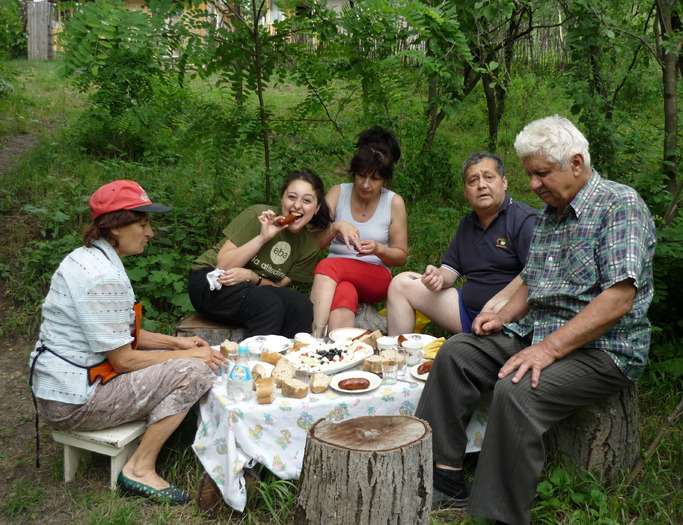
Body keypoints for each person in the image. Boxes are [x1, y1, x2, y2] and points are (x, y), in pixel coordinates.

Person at [415, 115, 656, 525]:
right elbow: (532, 278)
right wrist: (503, 315)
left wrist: (547, 349)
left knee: (517, 391)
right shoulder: (550, 213)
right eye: (529, 174)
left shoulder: (620, 205)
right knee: (457, 352)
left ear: (576, 163)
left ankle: (500, 515)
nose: (533, 185)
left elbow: (618, 298)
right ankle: (445, 477)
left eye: (541, 173)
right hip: (539, 332)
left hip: (604, 349)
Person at [29, 180, 225, 504]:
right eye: (143, 224)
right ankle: (139, 469)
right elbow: (123, 361)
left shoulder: (87, 257)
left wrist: (177, 345)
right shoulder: (102, 276)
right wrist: (191, 359)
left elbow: (118, 334)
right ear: (116, 227)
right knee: (195, 372)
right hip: (75, 401)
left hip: (65, 386)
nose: (150, 234)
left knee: (187, 358)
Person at [386, 152, 537, 336]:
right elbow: (451, 269)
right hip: (465, 312)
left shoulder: (524, 220)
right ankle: (394, 356)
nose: (481, 185)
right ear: (466, 191)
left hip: (507, 316)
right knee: (400, 284)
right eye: (473, 181)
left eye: (489, 177)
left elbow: (535, 273)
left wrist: (499, 302)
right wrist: (438, 276)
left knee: (501, 307)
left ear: (504, 182)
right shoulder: (467, 222)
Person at [188, 169, 332, 338]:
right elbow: (223, 266)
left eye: (307, 200)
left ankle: (291, 361)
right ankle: (255, 362)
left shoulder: (309, 247)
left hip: (251, 289)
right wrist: (263, 237)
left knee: (301, 305)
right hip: (211, 281)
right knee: (268, 304)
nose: (297, 205)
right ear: (282, 199)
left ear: (317, 208)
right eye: (292, 197)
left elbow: (278, 287)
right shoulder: (259, 216)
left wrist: (251, 276)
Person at [310, 126, 408, 332]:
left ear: (385, 179)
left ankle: (316, 335)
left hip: (375, 275)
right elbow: (313, 245)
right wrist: (335, 227)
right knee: (345, 291)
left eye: (375, 179)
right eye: (361, 176)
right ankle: (338, 350)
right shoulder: (338, 192)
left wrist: (378, 249)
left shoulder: (393, 202)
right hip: (337, 278)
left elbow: (401, 257)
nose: (365, 184)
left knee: (328, 266)